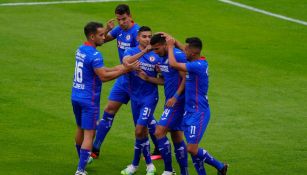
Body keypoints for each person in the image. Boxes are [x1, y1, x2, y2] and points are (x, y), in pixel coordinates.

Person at [91, 4, 160, 160]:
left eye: (123, 19)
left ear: (130, 16)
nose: (121, 22)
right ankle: (95, 148)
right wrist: (108, 29)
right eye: (119, 19)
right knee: (109, 109)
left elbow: (147, 56)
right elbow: (104, 40)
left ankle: (160, 147)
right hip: (124, 79)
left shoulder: (138, 33)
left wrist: (130, 65)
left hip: (138, 82)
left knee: (146, 119)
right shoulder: (120, 30)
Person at [71, 21, 136, 175]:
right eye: (101, 35)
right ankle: (80, 170)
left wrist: (121, 67)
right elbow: (103, 76)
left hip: (76, 95)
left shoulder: (81, 49)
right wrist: (123, 71)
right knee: (90, 133)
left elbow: (101, 70)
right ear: (92, 36)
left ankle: (82, 158)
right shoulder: (95, 55)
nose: (104, 37)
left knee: (80, 127)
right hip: (89, 99)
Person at [164, 34, 228, 175]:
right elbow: (185, 49)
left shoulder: (197, 66)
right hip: (189, 111)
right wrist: (174, 41)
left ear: (193, 53)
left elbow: (173, 64)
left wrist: (169, 46)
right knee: (193, 149)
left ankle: (220, 166)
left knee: (192, 149)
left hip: (199, 113)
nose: (183, 51)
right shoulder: (198, 60)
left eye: (186, 49)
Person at [120, 26, 162, 175]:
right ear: (137, 38)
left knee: (139, 129)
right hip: (135, 97)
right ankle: (149, 164)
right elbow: (126, 62)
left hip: (150, 98)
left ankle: (134, 165)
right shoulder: (131, 51)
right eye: (144, 36)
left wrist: (153, 75)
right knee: (141, 132)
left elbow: (164, 81)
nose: (147, 39)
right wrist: (144, 52)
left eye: (149, 36)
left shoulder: (157, 56)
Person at [145, 33, 189, 175]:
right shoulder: (163, 58)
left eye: (157, 49)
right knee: (176, 136)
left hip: (177, 102)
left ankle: (169, 170)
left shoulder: (177, 56)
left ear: (165, 45)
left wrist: (175, 97)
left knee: (159, 131)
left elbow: (185, 79)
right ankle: (184, 172)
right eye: (153, 50)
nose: (155, 52)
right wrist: (147, 78)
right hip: (170, 101)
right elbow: (165, 80)